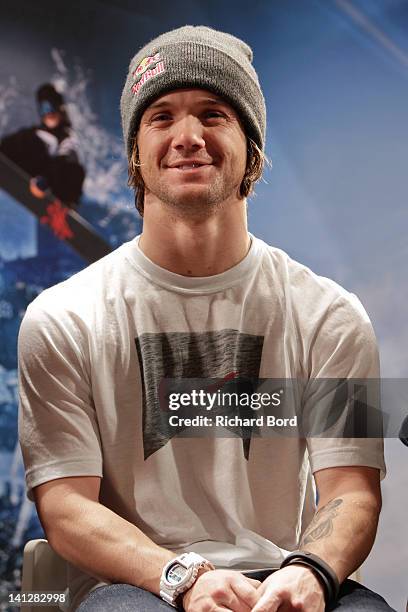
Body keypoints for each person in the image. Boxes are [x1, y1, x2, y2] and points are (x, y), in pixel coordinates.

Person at [18, 26, 394, 612]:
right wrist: (183, 577)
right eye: (161, 116)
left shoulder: (333, 316)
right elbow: (65, 505)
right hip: (137, 581)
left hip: (283, 570)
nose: (188, 136)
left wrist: (313, 573)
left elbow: (353, 491)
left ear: (253, 145)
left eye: (214, 114)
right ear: (136, 153)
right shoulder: (62, 318)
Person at [0, 83, 85, 207]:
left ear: (60, 108)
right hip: (30, 172)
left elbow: (66, 160)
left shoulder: (67, 137)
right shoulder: (34, 133)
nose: (49, 114)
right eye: (44, 109)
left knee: (75, 170)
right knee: (25, 138)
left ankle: (63, 206)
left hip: (51, 182)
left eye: (52, 108)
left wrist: (47, 180)